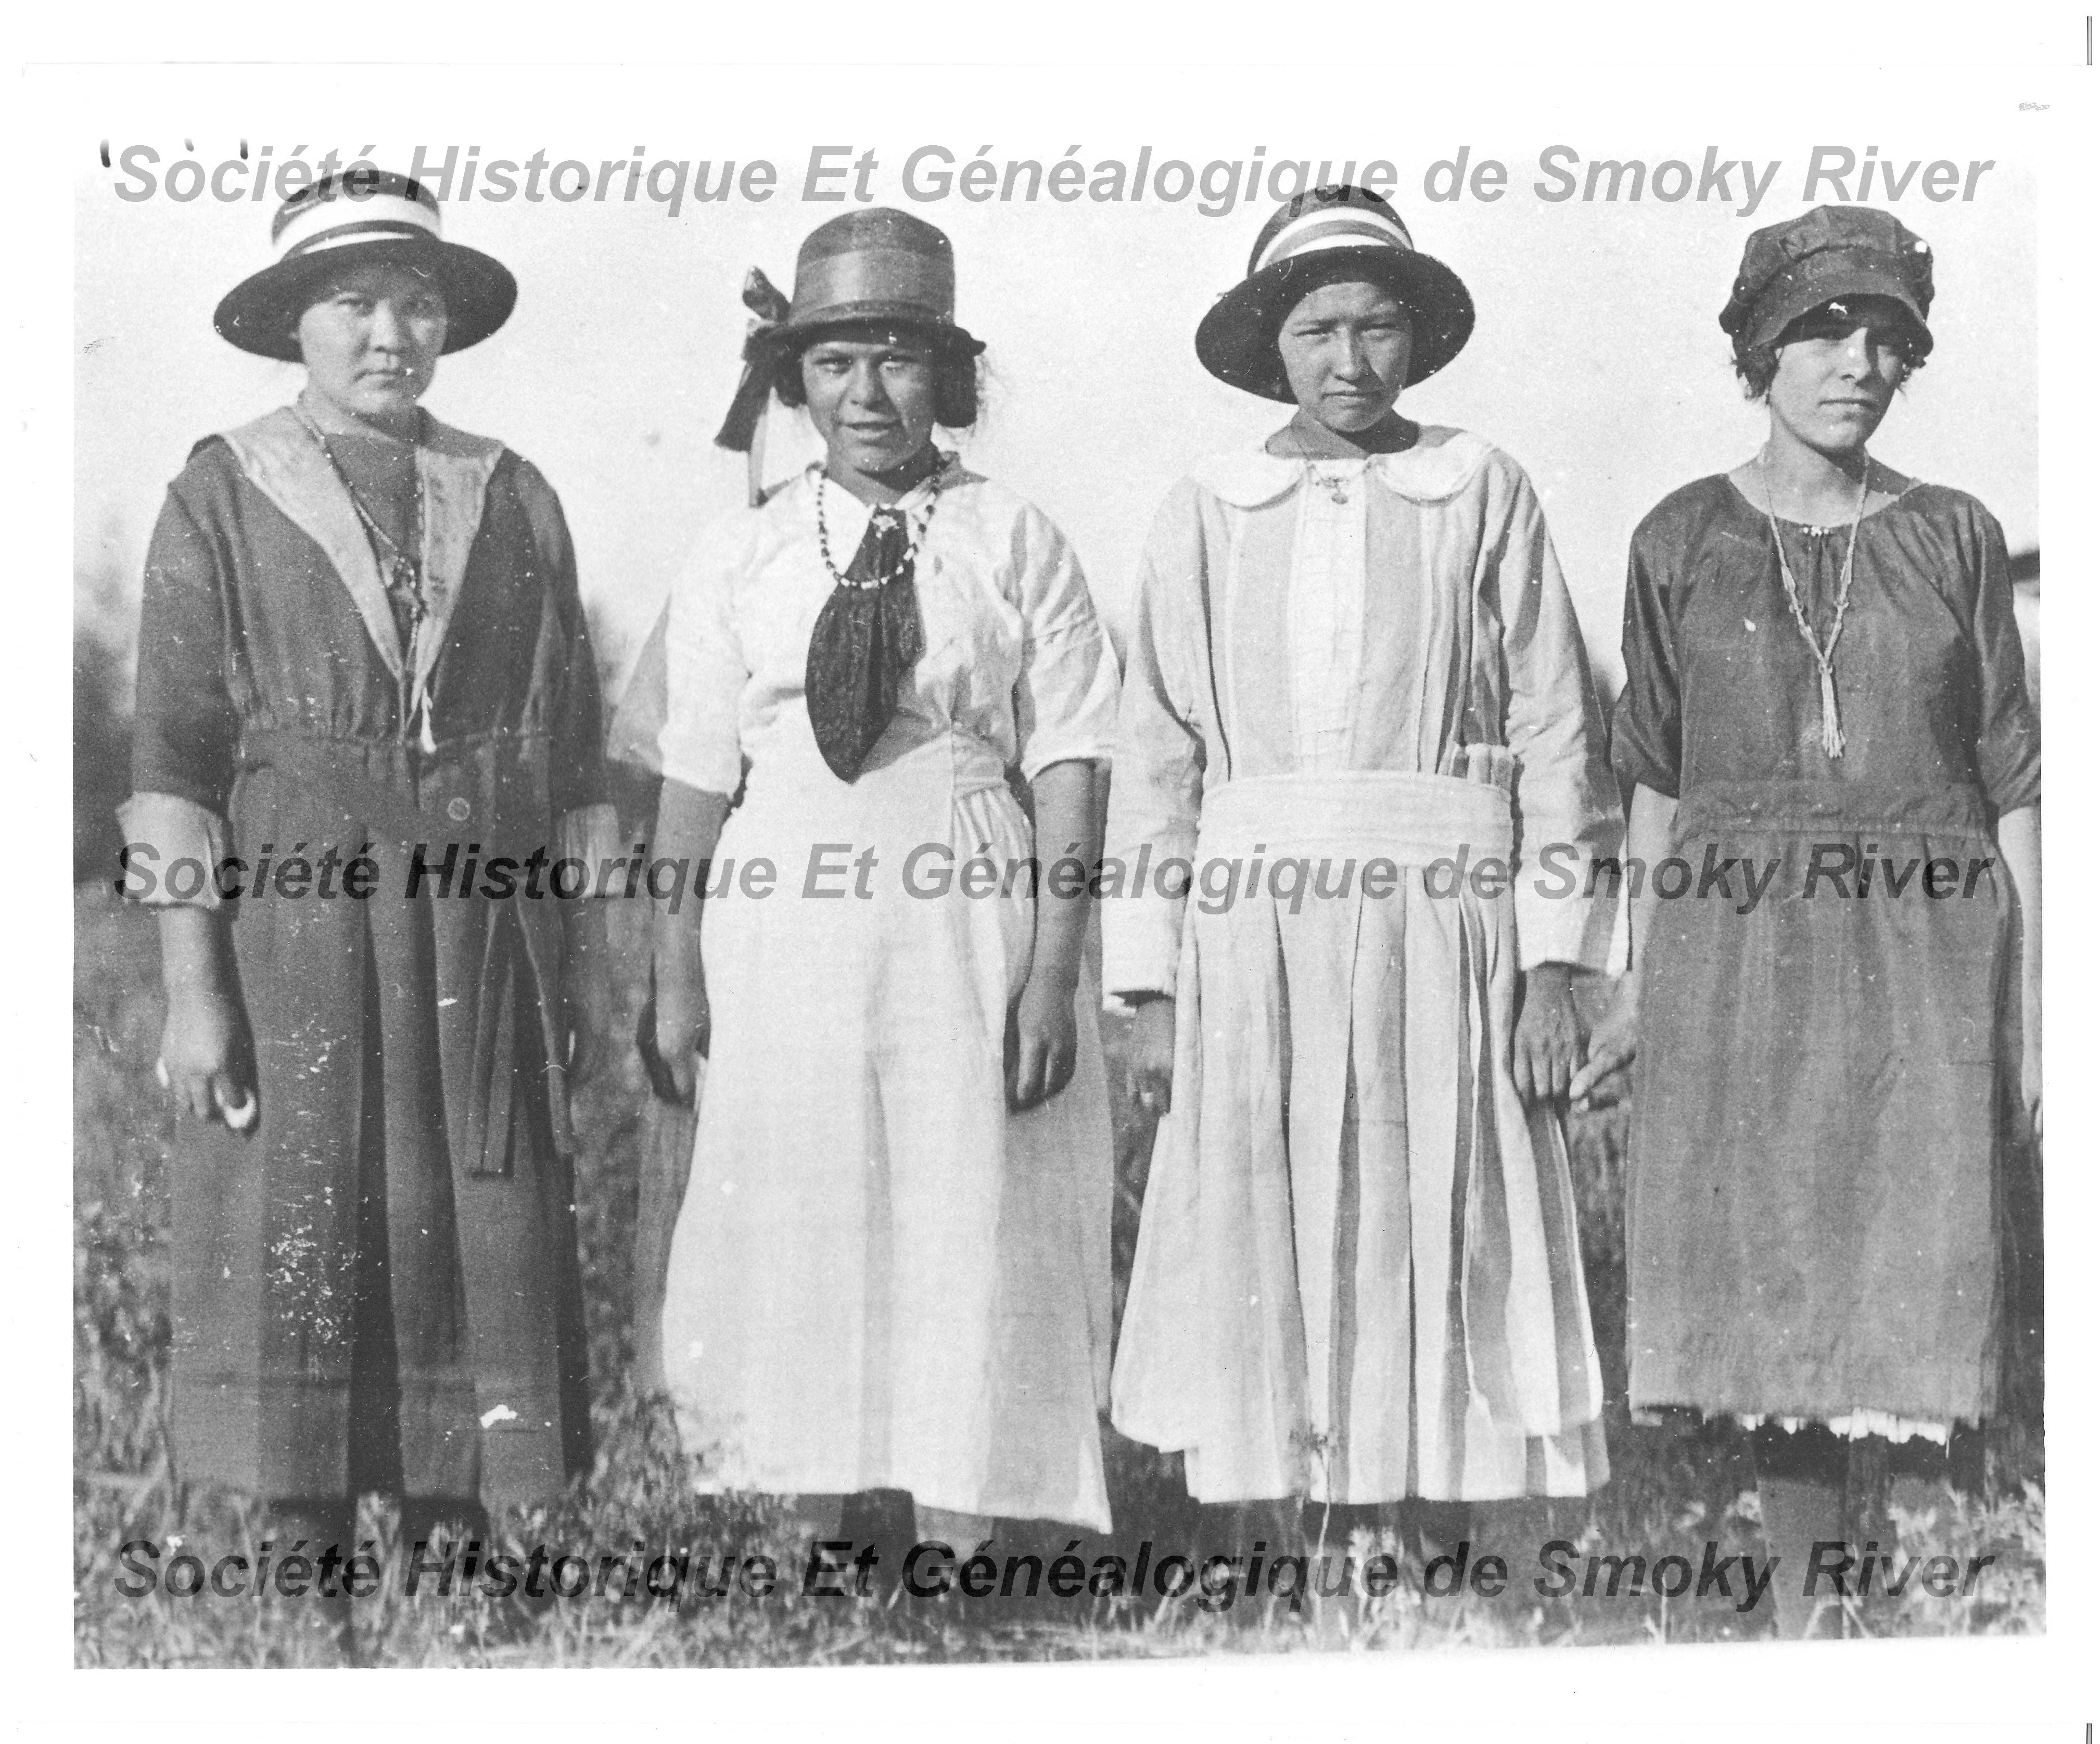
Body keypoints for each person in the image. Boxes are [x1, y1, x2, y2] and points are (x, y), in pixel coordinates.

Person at [123, 171, 616, 1653]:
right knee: (305, 1206)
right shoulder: (222, 490)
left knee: (473, 1217)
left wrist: (578, 974)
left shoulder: (512, 492)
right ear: (296, 323)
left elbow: (571, 757)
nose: (390, 334)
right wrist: (196, 994)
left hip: (477, 921)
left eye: (417, 303)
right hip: (296, 918)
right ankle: (305, 1570)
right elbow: (175, 766)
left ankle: (462, 1558)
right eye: (353, 303)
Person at [1107, 187, 1622, 1550]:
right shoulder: (1206, 510)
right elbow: (1156, 761)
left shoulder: (1479, 487)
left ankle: (1433, 1536)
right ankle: (1302, 1542)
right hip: (1254, 929)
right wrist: (1149, 987)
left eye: (1378, 328)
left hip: (1444, 921)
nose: (1350, 361)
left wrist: (1554, 967)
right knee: (1272, 1209)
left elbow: (1557, 732)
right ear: (1271, 342)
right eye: (1318, 331)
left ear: (1417, 338)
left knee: (1437, 1203)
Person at [1575, 205, 2042, 1637]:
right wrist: (1634, 983)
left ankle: (1870, 1592)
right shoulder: (1680, 537)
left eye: (1886, 339)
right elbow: (1654, 785)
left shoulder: (1954, 533)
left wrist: (2032, 1008)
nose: (1858, 365)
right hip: (1736, 946)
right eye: (1823, 332)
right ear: (1756, 352)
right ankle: (1804, 1617)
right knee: (1766, 1271)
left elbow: (2011, 786)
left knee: (1902, 1260)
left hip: (1924, 942)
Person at [648, 210, 1120, 1551]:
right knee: (799, 1195)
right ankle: (809, 1535)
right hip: (785, 905)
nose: (867, 395)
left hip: (967, 896)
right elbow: (694, 776)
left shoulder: (1013, 536)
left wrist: (1052, 973)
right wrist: (673, 973)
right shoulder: (740, 551)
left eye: (900, 361)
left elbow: (1074, 757)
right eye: (836, 363)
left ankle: (963, 1543)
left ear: (947, 376)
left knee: (966, 1197)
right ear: (795, 380)